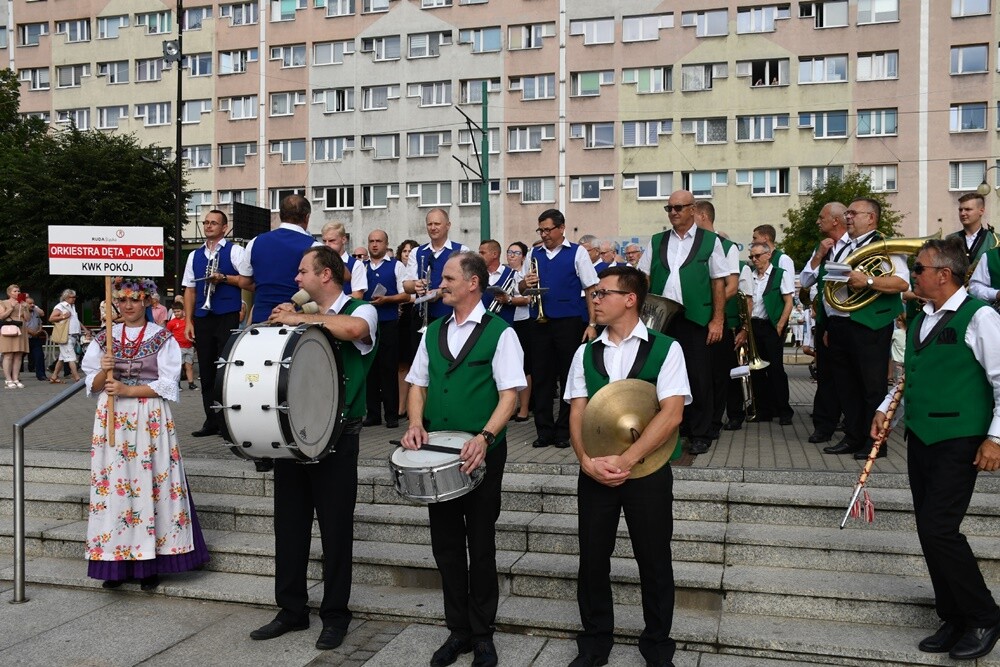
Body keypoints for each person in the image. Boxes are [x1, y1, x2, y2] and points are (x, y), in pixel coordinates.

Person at [871, 237, 1000, 661]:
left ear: (943, 274)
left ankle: (984, 615)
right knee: (930, 530)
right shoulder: (921, 315)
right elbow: (909, 376)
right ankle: (954, 615)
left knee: (940, 528)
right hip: (921, 437)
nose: (913, 275)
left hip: (961, 438)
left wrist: (996, 437)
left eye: (920, 269)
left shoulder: (980, 316)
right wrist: (884, 407)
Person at [250, 246, 378, 651]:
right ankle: (291, 610)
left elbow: (354, 330)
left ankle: (336, 615)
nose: (296, 279)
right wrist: (282, 323)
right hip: (294, 435)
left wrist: (300, 317)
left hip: (339, 438)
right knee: (288, 527)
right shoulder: (299, 313)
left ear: (326, 275)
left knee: (336, 530)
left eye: (303, 272)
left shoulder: (363, 308)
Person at [401, 251, 525, 667]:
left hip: (483, 450)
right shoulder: (431, 330)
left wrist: (486, 438)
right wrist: (416, 423)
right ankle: (458, 631)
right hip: (437, 452)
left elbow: (510, 394)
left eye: (449, 276)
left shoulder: (500, 333)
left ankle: (483, 633)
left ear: (473, 282)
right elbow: (417, 384)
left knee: (482, 542)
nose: (442, 282)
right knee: (447, 545)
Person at [565, 266, 688, 667]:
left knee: (654, 560)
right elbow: (577, 413)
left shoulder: (667, 347)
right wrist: (585, 461)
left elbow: (671, 415)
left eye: (603, 293)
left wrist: (627, 460)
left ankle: (657, 647)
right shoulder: (584, 352)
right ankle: (595, 641)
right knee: (593, 558)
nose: (595, 300)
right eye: (595, 294)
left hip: (648, 474)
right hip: (595, 472)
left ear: (630, 298)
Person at [82, 277, 209, 590]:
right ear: (116, 303)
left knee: (151, 483)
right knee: (115, 488)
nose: (128, 306)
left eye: (135, 300)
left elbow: (168, 384)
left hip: (148, 415)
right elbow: (91, 385)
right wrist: (104, 369)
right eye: (123, 300)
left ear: (147, 302)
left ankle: (149, 563)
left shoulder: (162, 337)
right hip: (112, 417)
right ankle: (115, 562)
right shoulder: (104, 338)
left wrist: (127, 388)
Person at [637, 191, 728, 455]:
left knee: (699, 376)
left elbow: (718, 282)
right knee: (664, 376)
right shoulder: (657, 240)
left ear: (693, 209)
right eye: (669, 208)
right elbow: (643, 276)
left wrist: (717, 320)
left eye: (678, 207)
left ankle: (701, 432)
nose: (673, 212)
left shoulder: (710, 241)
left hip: (696, 318)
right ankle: (675, 428)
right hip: (662, 319)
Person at [822, 198, 909, 460]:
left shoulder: (885, 245)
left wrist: (868, 280)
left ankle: (875, 443)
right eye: (847, 213)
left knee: (871, 386)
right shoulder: (843, 245)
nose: (848, 217)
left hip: (870, 324)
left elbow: (902, 283)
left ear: (871, 218)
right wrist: (829, 323)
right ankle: (853, 436)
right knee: (846, 385)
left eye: (853, 213)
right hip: (840, 323)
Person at [520, 209, 600, 448]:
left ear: (561, 228)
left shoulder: (578, 253)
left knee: (569, 377)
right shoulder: (533, 253)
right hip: (539, 322)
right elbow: (522, 289)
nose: (544, 235)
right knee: (542, 377)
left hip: (569, 321)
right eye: (541, 230)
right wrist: (526, 283)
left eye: (548, 229)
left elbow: (591, 289)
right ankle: (544, 430)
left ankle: (565, 430)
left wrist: (592, 324)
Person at [182, 209, 246, 437]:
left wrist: (225, 278)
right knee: (207, 371)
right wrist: (188, 320)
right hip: (203, 317)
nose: (208, 226)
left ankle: (229, 421)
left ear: (224, 228)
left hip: (226, 314)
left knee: (226, 370)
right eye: (206, 222)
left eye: (213, 223)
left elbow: (249, 282)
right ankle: (212, 420)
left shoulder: (236, 251)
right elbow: (189, 289)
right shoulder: (194, 255)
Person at [799, 202, 851, 444]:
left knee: (849, 377)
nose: (818, 222)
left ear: (835, 221)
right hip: (826, 319)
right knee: (826, 375)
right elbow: (806, 279)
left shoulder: (855, 244)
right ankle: (824, 425)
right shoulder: (823, 247)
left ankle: (851, 424)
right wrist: (819, 255)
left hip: (851, 319)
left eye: (822, 218)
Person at [692, 201, 744, 436]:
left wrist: (710, 308)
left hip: (714, 319)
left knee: (717, 374)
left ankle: (714, 421)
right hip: (692, 320)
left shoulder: (726, 246)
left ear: (702, 216)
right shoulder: (689, 244)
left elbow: (730, 287)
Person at [237, 194, 321, 324]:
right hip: (297, 319)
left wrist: (267, 288)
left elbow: (243, 282)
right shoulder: (315, 246)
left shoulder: (255, 242)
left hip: (261, 318)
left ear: (281, 215)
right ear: (307, 217)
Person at [739, 243, 795, 424]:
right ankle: (763, 409)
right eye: (752, 257)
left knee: (776, 370)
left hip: (770, 327)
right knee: (756, 370)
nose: (754, 260)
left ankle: (784, 410)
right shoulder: (750, 275)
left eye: (757, 256)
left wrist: (780, 325)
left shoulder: (780, 274)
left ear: (768, 255)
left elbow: (788, 301)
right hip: (753, 326)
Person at [363, 229, 409, 428]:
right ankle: (373, 414)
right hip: (366, 324)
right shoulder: (361, 266)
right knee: (369, 370)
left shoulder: (397, 266)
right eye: (371, 241)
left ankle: (391, 415)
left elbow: (405, 295)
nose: (374, 245)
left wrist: (387, 299)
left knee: (388, 369)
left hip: (388, 322)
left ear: (386, 243)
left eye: (378, 241)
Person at [403, 208, 470, 331]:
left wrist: (439, 293)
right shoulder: (416, 252)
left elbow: (465, 284)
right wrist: (415, 286)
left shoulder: (462, 251)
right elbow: (407, 286)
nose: (433, 227)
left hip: (452, 315)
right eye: (430, 224)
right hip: (421, 315)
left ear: (448, 225)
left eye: (437, 224)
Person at [506, 241, 533, 422]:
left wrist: (508, 299)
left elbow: (528, 298)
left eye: (516, 253)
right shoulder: (504, 272)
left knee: (524, 366)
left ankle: (524, 407)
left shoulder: (526, 273)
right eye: (509, 252)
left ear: (523, 256)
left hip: (524, 320)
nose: (511, 256)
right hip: (507, 320)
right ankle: (511, 405)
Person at [396, 239, 419, 420]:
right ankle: (401, 407)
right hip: (402, 319)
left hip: (415, 312)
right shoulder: (397, 267)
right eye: (404, 251)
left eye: (410, 251)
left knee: (416, 362)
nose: (407, 254)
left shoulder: (417, 269)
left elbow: (410, 296)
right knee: (403, 363)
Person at [949, 192, 998, 266]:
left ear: (981, 211)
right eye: (960, 210)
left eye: (968, 209)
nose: (962, 213)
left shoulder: (995, 240)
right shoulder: (950, 239)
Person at [321, 221, 368, 298]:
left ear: (344, 240)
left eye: (332, 240)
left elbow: (358, 296)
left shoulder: (356, 265)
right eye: (324, 241)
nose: (327, 245)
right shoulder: (319, 262)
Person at [478, 239, 519, 326]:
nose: (479, 256)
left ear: (495, 254)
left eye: (482, 253)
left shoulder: (512, 274)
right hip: (481, 325)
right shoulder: (477, 275)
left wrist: (508, 300)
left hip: (504, 324)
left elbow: (525, 300)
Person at [50, 288, 82, 383]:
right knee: (72, 357)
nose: (74, 299)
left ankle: (54, 376)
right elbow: (51, 318)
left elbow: (76, 320)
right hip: (66, 335)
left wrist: (84, 329)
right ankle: (76, 377)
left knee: (62, 358)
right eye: (72, 297)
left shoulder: (72, 306)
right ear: (66, 297)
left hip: (73, 335)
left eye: (75, 297)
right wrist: (64, 316)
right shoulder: (60, 306)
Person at [0, 285, 30, 388]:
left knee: (18, 355)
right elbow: (1, 316)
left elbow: (27, 318)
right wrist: (11, 308)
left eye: (18, 291)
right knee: (8, 355)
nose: (17, 292)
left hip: (20, 329)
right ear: (9, 293)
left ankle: (16, 378)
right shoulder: (3, 302)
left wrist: (25, 308)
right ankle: (8, 379)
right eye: (15, 291)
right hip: (8, 329)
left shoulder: (23, 304)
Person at [166, 304, 197, 390]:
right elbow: (167, 334)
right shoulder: (171, 323)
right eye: (174, 312)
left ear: (183, 311)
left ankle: (191, 383)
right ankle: (177, 384)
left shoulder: (189, 321)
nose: (176, 313)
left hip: (189, 346)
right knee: (179, 367)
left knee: (189, 366)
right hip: (178, 347)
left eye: (178, 311)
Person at [24, 295, 48, 381]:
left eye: (33, 303)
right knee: (18, 357)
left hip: (35, 338)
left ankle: (41, 375)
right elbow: (21, 325)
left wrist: (39, 330)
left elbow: (40, 322)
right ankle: (15, 376)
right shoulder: (21, 312)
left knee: (39, 356)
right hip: (24, 338)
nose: (32, 305)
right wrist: (30, 332)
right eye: (30, 303)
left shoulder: (36, 311)